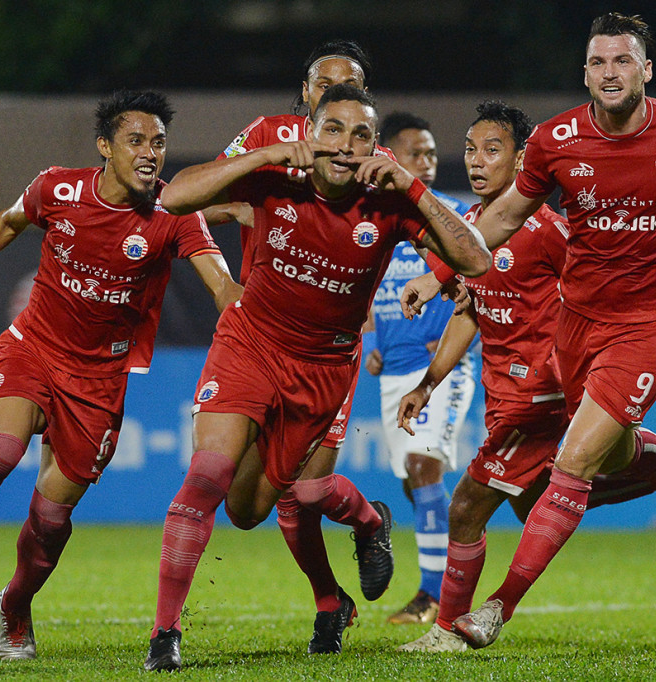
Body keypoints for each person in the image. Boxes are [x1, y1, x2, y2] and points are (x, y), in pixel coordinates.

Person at [401, 14, 656, 650]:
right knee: (606, 459)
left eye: (623, 61)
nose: (610, 73)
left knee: (571, 465)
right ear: (586, 73)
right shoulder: (556, 138)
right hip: (580, 325)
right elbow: (508, 211)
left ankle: (490, 615)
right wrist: (439, 272)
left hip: (653, 322)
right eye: (598, 63)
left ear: (645, 70)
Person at [143, 84, 491, 671]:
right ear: (309, 129)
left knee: (252, 509)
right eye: (333, 129)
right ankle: (164, 634)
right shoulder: (275, 178)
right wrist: (261, 156)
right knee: (207, 474)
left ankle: (367, 518)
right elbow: (175, 199)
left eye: (361, 135)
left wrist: (413, 187)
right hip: (250, 343)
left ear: (374, 146)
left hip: (323, 369)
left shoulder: (389, 201)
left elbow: (476, 260)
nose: (346, 146)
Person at [0, 90, 242, 661]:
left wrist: (249, 311)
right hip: (33, 349)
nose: (150, 153)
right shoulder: (58, 188)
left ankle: (16, 604)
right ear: (104, 147)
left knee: (50, 519)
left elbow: (221, 283)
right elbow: (8, 224)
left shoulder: (174, 214)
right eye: (136, 141)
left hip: (99, 383)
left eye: (159, 142)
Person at [212, 38, 404, 653]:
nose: (334, 94)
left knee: (309, 490)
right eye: (324, 85)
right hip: (261, 340)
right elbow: (200, 192)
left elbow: (404, 231)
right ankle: (332, 599)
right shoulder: (270, 136)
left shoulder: (371, 161)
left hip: (327, 354)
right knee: (251, 503)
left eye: (348, 85)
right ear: (305, 95)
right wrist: (235, 214)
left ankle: (368, 524)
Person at [366, 111, 476, 625]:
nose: (427, 163)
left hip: (443, 371)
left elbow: (479, 279)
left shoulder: (454, 217)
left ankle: (433, 596)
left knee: (421, 469)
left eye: (431, 153)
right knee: (416, 484)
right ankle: (451, 565)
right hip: (393, 376)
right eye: (416, 153)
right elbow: (366, 289)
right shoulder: (377, 225)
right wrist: (368, 337)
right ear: (388, 157)